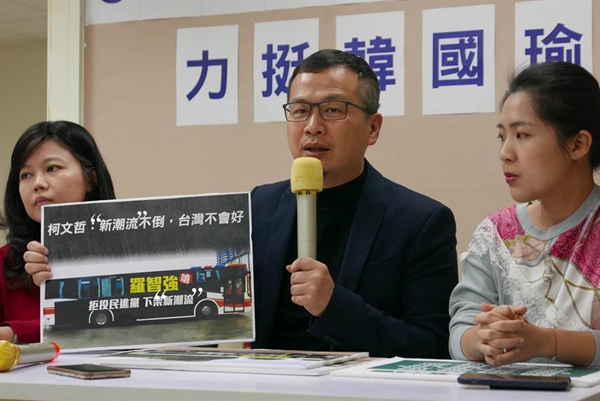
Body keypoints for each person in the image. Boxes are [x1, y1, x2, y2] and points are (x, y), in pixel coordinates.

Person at [251, 49, 458, 358]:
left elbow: (434, 346)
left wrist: (334, 305)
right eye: (300, 110)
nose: (312, 126)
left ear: (372, 128)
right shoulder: (258, 207)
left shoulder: (421, 222)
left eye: (333, 110)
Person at [449, 61, 600, 367]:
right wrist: (486, 338)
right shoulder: (495, 232)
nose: (505, 153)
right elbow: (460, 330)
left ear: (578, 144)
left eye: (522, 135)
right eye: (502, 136)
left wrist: (546, 342)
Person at [0, 120, 115, 344]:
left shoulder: (128, 249)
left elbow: (126, 323)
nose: (38, 184)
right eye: (26, 175)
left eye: (52, 168)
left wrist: (16, 333)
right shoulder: (5, 261)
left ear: (91, 177)